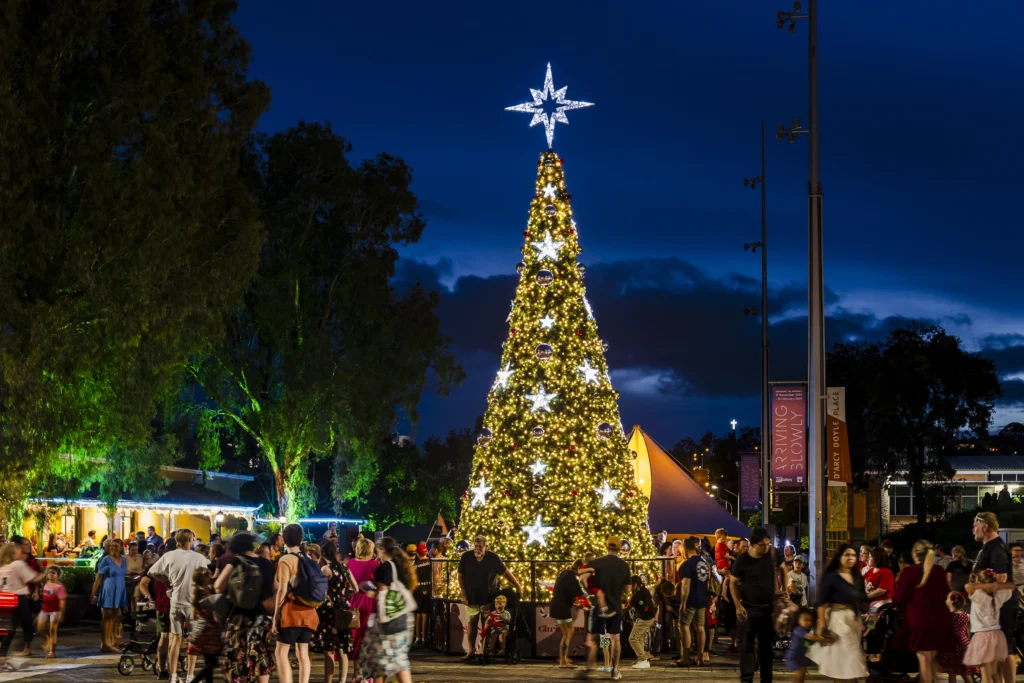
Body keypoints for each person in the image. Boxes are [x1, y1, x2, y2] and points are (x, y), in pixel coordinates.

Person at [147, 529, 209, 683]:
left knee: (175, 638)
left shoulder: (169, 556)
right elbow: (207, 577)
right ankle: (190, 676)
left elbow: (152, 572)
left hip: (175, 601)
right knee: (193, 640)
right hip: (192, 602)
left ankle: (173, 675)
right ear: (190, 539)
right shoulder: (199, 558)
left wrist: (167, 581)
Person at [214, 532, 277, 683]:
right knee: (260, 654)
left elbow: (218, 586)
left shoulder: (236, 561)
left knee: (237, 655)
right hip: (262, 617)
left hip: (239, 616)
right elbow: (276, 589)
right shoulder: (267, 564)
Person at [354, 537, 416, 683]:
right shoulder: (403, 566)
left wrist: (370, 592)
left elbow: (382, 592)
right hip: (404, 617)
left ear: (381, 549)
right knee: (400, 659)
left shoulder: (385, 568)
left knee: (379, 661)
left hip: (388, 619)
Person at [969, 511, 1020, 683]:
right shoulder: (989, 546)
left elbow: (1001, 578)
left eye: (975, 525)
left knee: (1006, 647)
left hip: (1003, 604)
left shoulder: (996, 548)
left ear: (985, 527)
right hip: (995, 605)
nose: (973, 529)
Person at [893, 540, 953, 683]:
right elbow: (946, 593)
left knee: (924, 658)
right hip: (940, 620)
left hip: (920, 621)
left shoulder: (910, 572)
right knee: (931, 658)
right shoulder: (938, 571)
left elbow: (900, 598)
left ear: (915, 554)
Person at [806, 543, 868, 680]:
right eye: (847, 555)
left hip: (854, 621)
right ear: (839, 557)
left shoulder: (858, 578)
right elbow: (822, 602)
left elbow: (863, 599)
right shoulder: (832, 577)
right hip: (838, 621)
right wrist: (822, 624)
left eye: (853, 555)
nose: (851, 558)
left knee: (850, 659)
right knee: (843, 661)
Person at [457, 535, 521, 661]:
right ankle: (471, 651)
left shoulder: (493, 558)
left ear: (486, 547)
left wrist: (518, 586)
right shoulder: (466, 557)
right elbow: (460, 576)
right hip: (471, 599)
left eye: (480, 546)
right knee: (471, 626)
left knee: (489, 627)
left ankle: (487, 652)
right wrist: (464, 595)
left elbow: (506, 572)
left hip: (488, 599)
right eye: (475, 546)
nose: (477, 549)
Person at [730, 528, 779, 683]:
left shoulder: (770, 555)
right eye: (761, 545)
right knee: (746, 647)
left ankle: (766, 679)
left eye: (767, 544)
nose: (765, 548)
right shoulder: (742, 560)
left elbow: (782, 569)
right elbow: (732, 582)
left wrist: (780, 589)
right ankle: (747, 679)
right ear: (752, 544)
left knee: (767, 648)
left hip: (768, 609)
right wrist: (737, 605)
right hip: (748, 608)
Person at [272, 524, 319, 683]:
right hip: (309, 612)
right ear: (300, 539)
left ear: (284, 540)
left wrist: (275, 616)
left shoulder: (286, 559)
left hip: (292, 612)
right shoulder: (308, 559)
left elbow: (282, 590)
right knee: (303, 653)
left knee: (281, 652)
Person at [584, 537, 631, 681]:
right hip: (615, 606)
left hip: (598, 605)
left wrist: (592, 591)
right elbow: (628, 590)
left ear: (606, 547)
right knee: (615, 639)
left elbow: (583, 579)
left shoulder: (596, 563)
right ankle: (615, 670)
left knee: (592, 638)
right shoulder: (624, 566)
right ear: (619, 549)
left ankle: (590, 669)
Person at [312, 540, 356, 683]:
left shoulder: (326, 569)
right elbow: (355, 588)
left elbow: (318, 590)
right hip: (343, 609)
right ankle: (342, 680)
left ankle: (328, 680)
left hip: (329, 611)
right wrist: (344, 597)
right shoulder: (345, 568)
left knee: (329, 649)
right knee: (342, 648)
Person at [964, 569, 1015, 683]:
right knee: (994, 672)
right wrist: (995, 585)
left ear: (980, 582)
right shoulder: (998, 595)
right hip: (997, 635)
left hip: (983, 636)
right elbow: (1012, 586)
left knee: (985, 672)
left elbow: (968, 586)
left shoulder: (978, 595)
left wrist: (986, 585)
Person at [0, 541, 43, 661]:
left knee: (7, 625)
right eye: (19, 549)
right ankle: (4, 652)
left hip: (4, 597)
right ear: (13, 552)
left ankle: (3, 652)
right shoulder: (18, 564)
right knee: (25, 623)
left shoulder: (3, 567)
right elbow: (34, 578)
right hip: (17, 598)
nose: (22, 551)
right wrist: (45, 572)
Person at [675, 537, 709, 667]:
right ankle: (700, 657)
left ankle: (686, 657)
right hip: (702, 599)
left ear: (686, 548)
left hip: (690, 600)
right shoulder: (704, 563)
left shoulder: (687, 564)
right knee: (700, 628)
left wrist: (683, 604)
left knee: (684, 626)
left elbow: (685, 586)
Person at [185, 567, 222, 683]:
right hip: (209, 631)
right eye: (209, 576)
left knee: (209, 662)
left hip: (200, 629)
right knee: (212, 663)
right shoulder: (207, 594)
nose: (211, 578)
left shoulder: (197, 592)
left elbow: (195, 615)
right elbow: (215, 616)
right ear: (204, 579)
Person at [347, 537, 380, 665]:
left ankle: (357, 674)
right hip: (369, 600)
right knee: (367, 638)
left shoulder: (350, 562)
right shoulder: (374, 564)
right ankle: (365, 675)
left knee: (356, 637)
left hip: (353, 600)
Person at [91, 538, 128, 652]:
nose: (113, 548)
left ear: (121, 547)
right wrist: (93, 593)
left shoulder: (123, 560)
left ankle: (111, 641)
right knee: (107, 618)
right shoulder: (105, 560)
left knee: (115, 617)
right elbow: (98, 578)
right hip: (109, 589)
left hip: (120, 590)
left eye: (116, 546)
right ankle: (105, 643)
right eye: (112, 546)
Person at [551, 559, 585, 669]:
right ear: (579, 568)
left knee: (568, 632)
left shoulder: (564, 573)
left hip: (557, 605)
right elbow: (580, 593)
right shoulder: (572, 577)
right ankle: (563, 661)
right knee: (568, 632)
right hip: (561, 607)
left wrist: (572, 600)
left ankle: (563, 658)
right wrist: (593, 598)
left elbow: (565, 591)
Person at [938, 592, 978, 683]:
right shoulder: (966, 615)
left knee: (952, 672)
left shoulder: (947, 616)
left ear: (951, 602)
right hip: (963, 644)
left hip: (951, 644)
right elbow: (968, 631)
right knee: (965, 673)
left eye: (947, 599)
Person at [785, 607, 832, 683]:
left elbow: (806, 643)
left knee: (801, 675)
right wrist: (823, 639)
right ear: (798, 620)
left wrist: (814, 641)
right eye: (805, 620)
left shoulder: (805, 631)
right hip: (793, 656)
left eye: (810, 620)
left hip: (801, 657)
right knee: (799, 674)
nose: (808, 623)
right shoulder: (798, 629)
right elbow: (809, 637)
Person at [628, 574, 657, 669]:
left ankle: (643, 659)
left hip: (644, 619)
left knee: (632, 639)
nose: (629, 587)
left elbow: (628, 607)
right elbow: (653, 603)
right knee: (639, 638)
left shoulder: (636, 596)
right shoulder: (646, 591)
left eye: (631, 585)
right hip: (648, 618)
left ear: (635, 585)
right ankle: (642, 660)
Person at [37, 566, 66, 658]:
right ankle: (48, 640)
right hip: (45, 609)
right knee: (40, 628)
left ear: (58, 575)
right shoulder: (45, 583)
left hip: (55, 610)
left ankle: (52, 652)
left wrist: (61, 613)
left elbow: (62, 601)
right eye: (49, 572)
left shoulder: (60, 587)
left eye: (53, 573)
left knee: (53, 630)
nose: (51, 574)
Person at [864, 547, 896, 612]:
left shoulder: (886, 572)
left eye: (870, 557)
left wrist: (866, 596)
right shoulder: (871, 570)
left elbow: (882, 590)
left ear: (877, 559)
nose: (868, 559)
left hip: (881, 603)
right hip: (870, 600)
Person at [412, 542, 432, 646]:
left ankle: (417, 637)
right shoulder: (431, 563)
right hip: (428, 590)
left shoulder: (415, 565)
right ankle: (424, 638)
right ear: (427, 552)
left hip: (417, 590)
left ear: (417, 553)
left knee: (418, 614)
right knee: (425, 614)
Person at [125, 541, 145, 611]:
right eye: (133, 550)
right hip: (128, 579)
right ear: (129, 549)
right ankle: (131, 611)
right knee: (130, 596)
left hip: (138, 579)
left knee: (137, 596)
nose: (135, 552)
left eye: (136, 550)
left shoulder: (140, 557)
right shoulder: (125, 558)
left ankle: (137, 611)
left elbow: (143, 567)